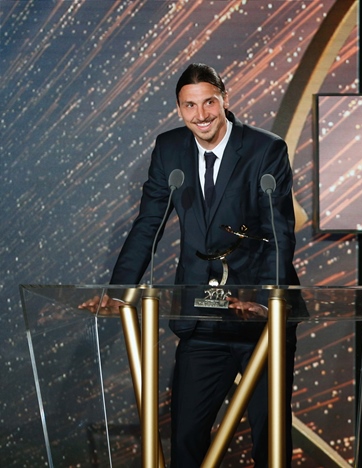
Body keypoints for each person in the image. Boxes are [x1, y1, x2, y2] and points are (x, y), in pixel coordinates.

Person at [80, 63, 299, 467]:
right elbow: (149, 224)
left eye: (209, 102)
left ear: (225, 99)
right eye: (189, 106)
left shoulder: (265, 149)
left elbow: (280, 232)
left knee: (271, 445)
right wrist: (120, 292)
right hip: (201, 318)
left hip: (259, 321)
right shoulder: (169, 150)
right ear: (179, 109)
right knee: (185, 441)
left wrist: (268, 301)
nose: (201, 115)